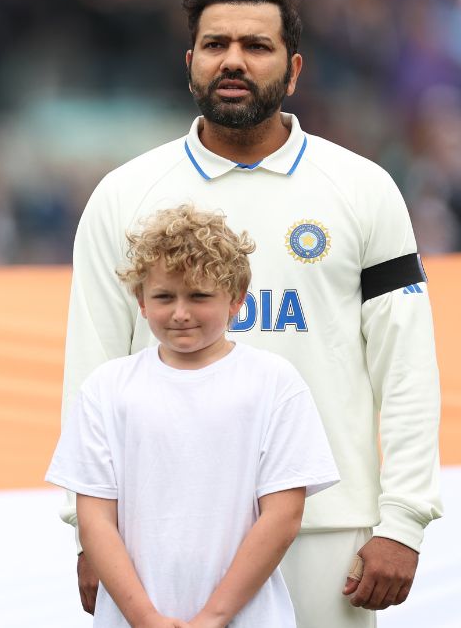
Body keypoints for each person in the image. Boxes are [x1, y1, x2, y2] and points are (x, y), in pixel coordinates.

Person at [60, 0, 443, 627]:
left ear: (293, 70)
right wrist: (87, 531)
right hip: (162, 534)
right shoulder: (124, 194)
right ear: (190, 63)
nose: (233, 60)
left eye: (256, 46)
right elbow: (92, 369)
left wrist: (404, 520)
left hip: (326, 529)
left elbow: (405, 369)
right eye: (215, 45)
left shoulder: (361, 188)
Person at [47, 205, 339, 627]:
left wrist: (214, 616)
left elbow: (283, 515)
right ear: (141, 301)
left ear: (237, 299)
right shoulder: (106, 388)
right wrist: (145, 618)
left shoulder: (275, 382)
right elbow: (94, 520)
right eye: (164, 296)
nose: (180, 313)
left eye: (199, 296)